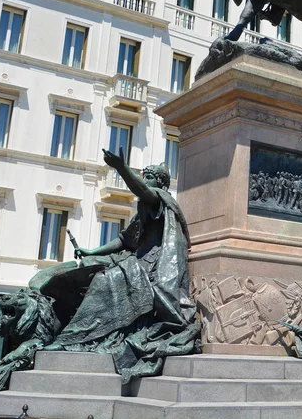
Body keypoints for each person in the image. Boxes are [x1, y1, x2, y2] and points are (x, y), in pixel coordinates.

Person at [45, 147, 200, 382]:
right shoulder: (144, 210)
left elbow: (142, 189)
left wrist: (121, 167)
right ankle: (78, 333)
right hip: (138, 261)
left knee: (105, 280)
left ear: (159, 182)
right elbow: (123, 240)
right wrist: (91, 251)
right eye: (144, 175)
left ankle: (78, 336)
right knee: (90, 267)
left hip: (153, 266)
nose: (144, 180)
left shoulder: (159, 199)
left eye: (148, 176)